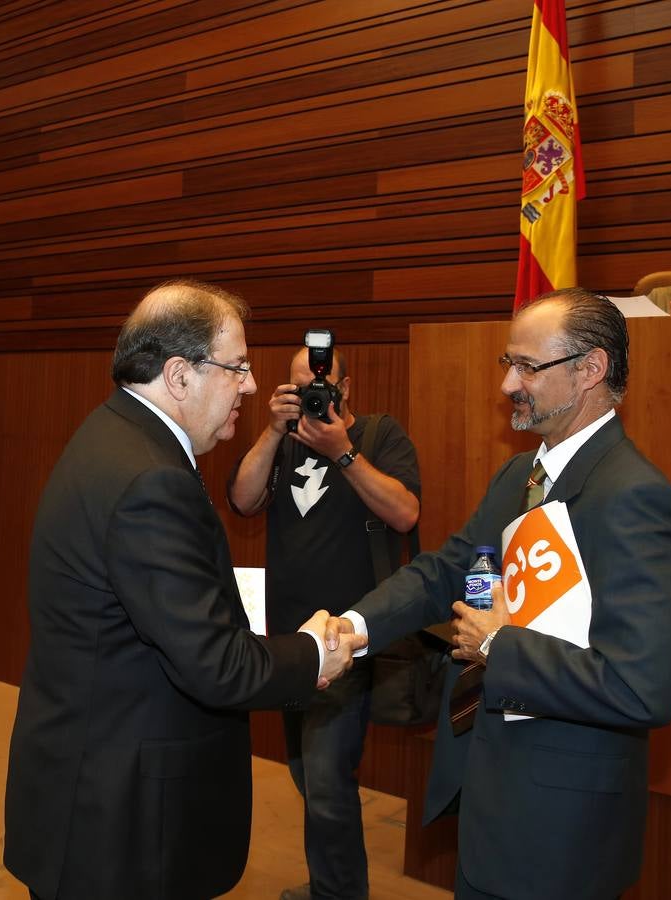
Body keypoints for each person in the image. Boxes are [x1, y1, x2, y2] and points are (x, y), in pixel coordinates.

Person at [4, 279, 365, 900]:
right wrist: (313, 653)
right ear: (179, 375)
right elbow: (216, 665)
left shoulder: (113, 435)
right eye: (238, 368)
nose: (251, 387)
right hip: (123, 820)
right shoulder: (150, 478)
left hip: (92, 775)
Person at [325, 289, 671, 900]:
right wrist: (354, 627)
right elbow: (447, 571)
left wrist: (498, 645)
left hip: (561, 824)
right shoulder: (519, 475)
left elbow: (643, 687)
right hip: (490, 789)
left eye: (527, 367)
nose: (508, 386)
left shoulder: (631, 495)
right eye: (508, 365)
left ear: (590, 370)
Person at [227, 341, 421, 900]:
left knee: (328, 779)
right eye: (298, 386)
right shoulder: (280, 443)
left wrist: (343, 452)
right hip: (289, 640)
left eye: (321, 385)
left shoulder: (380, 435)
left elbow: (406, 512)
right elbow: (242, 501)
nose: (312, 395)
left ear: (347, 387)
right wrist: (271, 431)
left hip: (350, 637)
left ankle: (337, 894)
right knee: (305, 773)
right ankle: (332, 884)